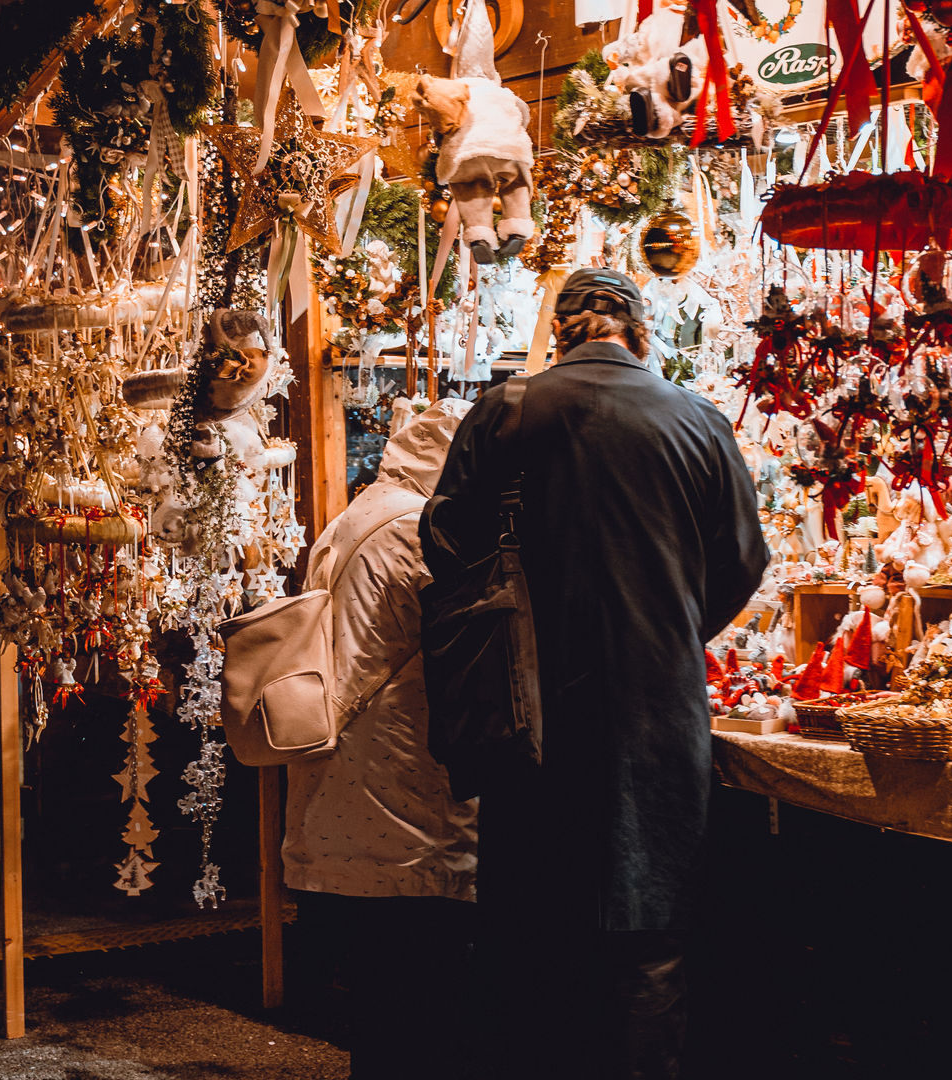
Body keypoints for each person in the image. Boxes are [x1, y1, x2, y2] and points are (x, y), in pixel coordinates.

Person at [425, 267, 769, 1078]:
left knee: (532, 923)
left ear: (564, 330)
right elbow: (744, 562)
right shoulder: (698, 421)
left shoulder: (507, 410)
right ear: (639, 333)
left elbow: (445, 544)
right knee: (648, 931)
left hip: (530, 704)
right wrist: (673, 628)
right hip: (660, 710)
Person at [285, 400, 480, 1080]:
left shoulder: (359, 515)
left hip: (341, 781)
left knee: (378, 997)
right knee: (417, 995)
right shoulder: (417, 531)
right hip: (400, 794)